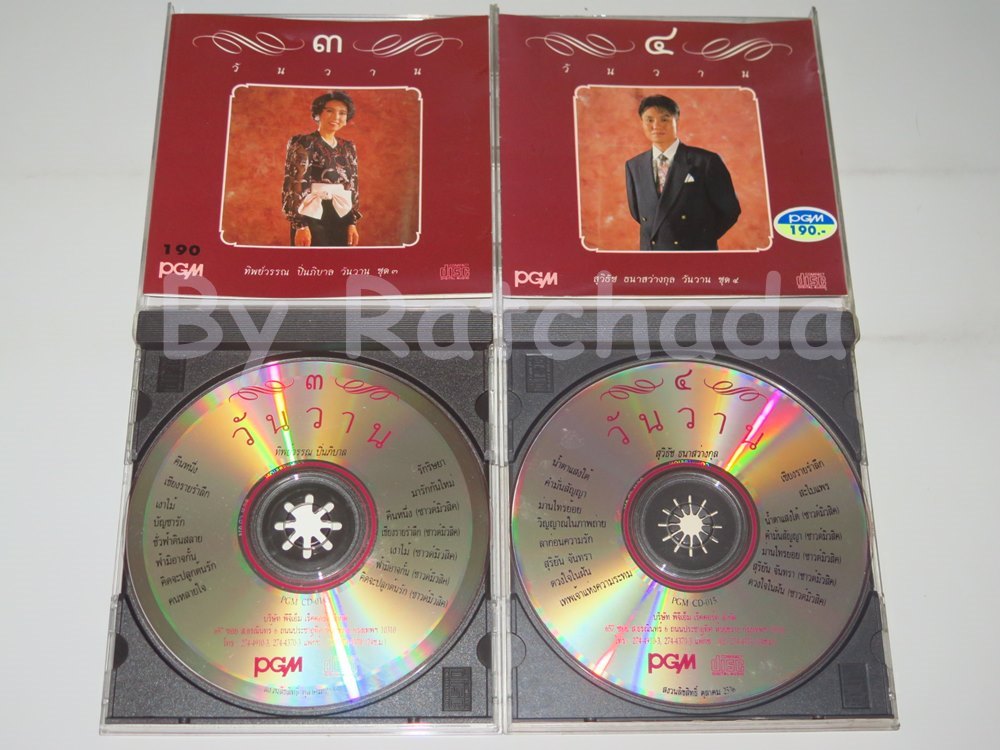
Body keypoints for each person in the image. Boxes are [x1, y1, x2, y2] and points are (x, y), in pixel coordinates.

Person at [625, 95, 740, 251]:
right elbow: (638, 214)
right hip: (651, 253)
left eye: (664, 119)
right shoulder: (634, 165)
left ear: (676, 120)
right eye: (649, 120)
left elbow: (730, 210)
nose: (656, 126)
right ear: (642, 123)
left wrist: (701, 240)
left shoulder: (706, 161)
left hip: (694, 253)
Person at [282, 91, 362, 246]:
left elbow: (353, 185)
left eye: (342, 113)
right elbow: (293, 184)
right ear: (318, 114)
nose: (336, 117)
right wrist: (300, 224)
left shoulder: (348, 147)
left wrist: (352, 222)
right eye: (330, 111)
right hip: (310, 214)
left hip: (342, 214)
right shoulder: (303, 142)